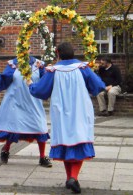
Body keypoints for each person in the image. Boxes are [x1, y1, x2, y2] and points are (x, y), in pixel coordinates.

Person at [27, 42, 105, 194]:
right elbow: (98, 86)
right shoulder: (83, 68)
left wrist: (31, 84)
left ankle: (70, 177)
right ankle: (73, 178)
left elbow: (40, 91)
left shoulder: (53, 71)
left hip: (61, 112)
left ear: (57, 53)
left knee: (65, 142)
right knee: (79, 141)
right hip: (80, 111)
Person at [0, 47, 52, 168]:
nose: (23, 51)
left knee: (40, 127)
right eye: (20, 49)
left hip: (33, 103)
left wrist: (50, 73)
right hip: (16, 103)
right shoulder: (13, 65)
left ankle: (42, 157)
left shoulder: (39, 65)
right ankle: (6, 149)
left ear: (30, 49)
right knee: (14, 128)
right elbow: (4, 80)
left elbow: (45, 81)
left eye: (26, 49)